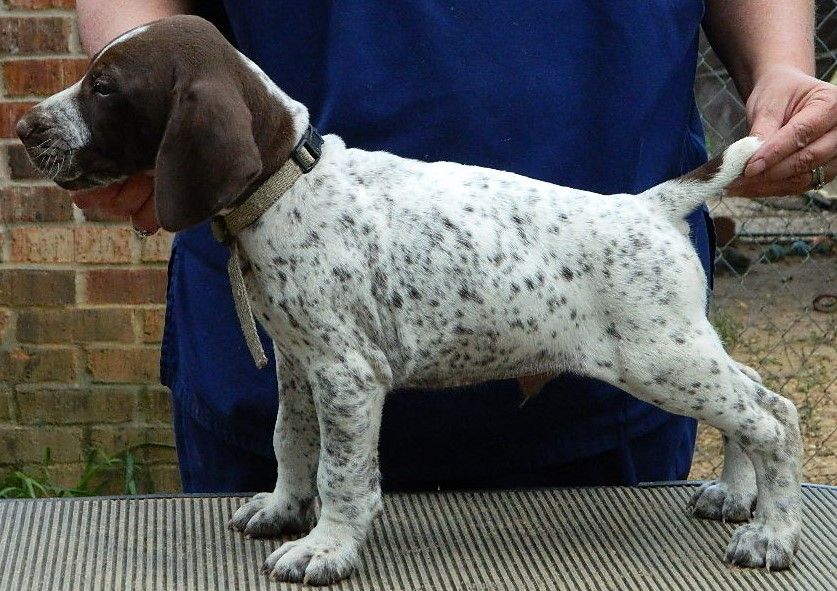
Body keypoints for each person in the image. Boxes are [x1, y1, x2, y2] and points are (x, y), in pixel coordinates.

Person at [74, 1, 836, 492]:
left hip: (603, 263)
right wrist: (135, 101)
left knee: (679, 394)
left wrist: (779, 66)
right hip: (261, 270)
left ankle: (764, 449)